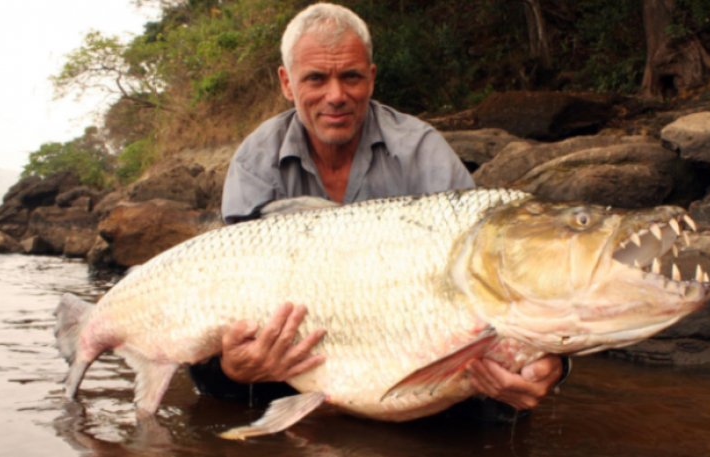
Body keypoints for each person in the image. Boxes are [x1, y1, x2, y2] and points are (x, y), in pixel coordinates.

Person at [190, 2, 567, 421]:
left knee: (500, 402)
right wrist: (233, 365)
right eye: (316, 78)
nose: (336, 96)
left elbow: (494, 281)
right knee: (214, 381)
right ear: (287, 83)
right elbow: (226, 290)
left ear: (371, 78)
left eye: (350, 76)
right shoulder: (254, 161)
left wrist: (551, 361)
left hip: (408, 343)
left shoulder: (422, 150)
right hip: (296, 350)